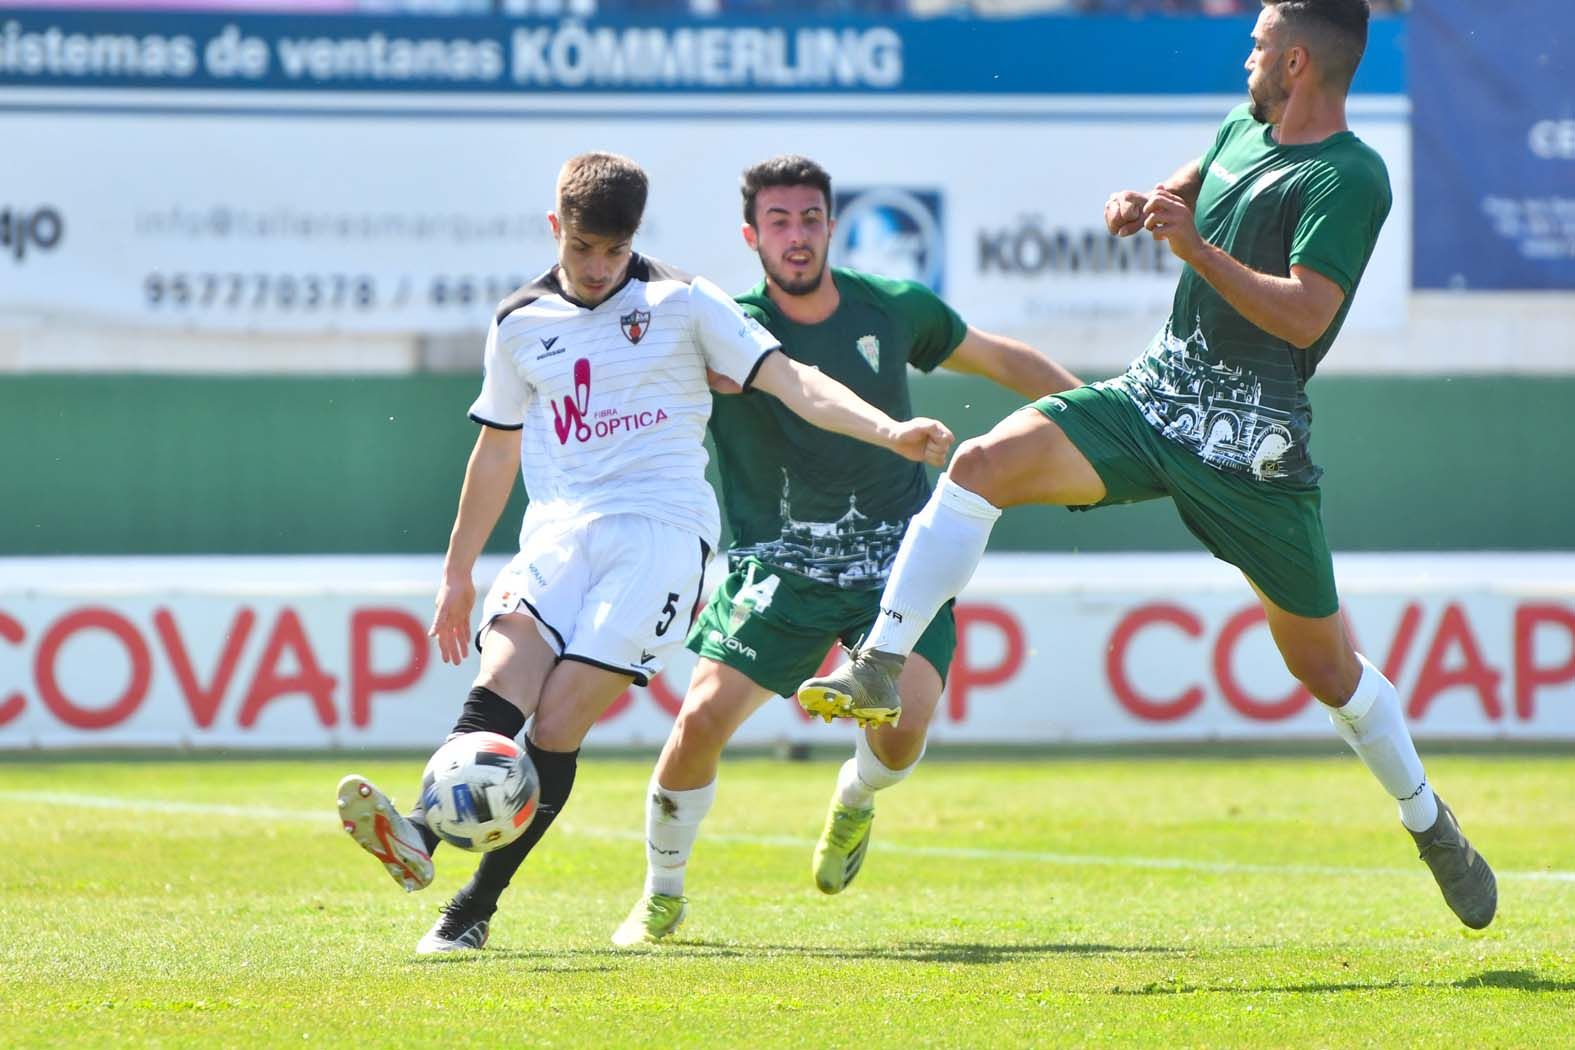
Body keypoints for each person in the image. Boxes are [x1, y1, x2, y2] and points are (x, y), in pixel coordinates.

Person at [798, 0, 1498, 930]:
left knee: (1328, 671)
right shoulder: (1241, 127)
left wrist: (1193, 246)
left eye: (1256, 45)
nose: (1243, 56)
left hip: (1253, 449)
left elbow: (1302, 315)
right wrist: (1147, 205)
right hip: (1153, 401)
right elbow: (1190, 182)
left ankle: (1428, 820)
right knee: (978, 466)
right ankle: (879, 663)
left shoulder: (1349, 174)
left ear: (1295, 63)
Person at [334, 151, 955, 954]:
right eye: (582, 249)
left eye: (614, 252)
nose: (597, 268)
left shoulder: (684, 302)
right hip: (558, 533)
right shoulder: (519, 321)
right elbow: (494, 450)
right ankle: (419, 832)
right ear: (555, 229)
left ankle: (469, 907)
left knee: (554, 729)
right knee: (501, 679)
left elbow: (793, 380)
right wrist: (457, 572)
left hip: (662, 539)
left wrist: (888, 430)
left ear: (634, 240)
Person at [611, 155, 1081, 946]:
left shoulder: (892, 307)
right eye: (778, 222)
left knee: (901, 737)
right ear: (751, 235)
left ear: (832, 224)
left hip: (901, 566)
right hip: (781, 566)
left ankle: (855, 797)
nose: (795, 237)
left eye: (809, 219)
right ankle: (661, 893)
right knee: (698, 722)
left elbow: (1005, 361)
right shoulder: (724, 327)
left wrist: (1097, 435)